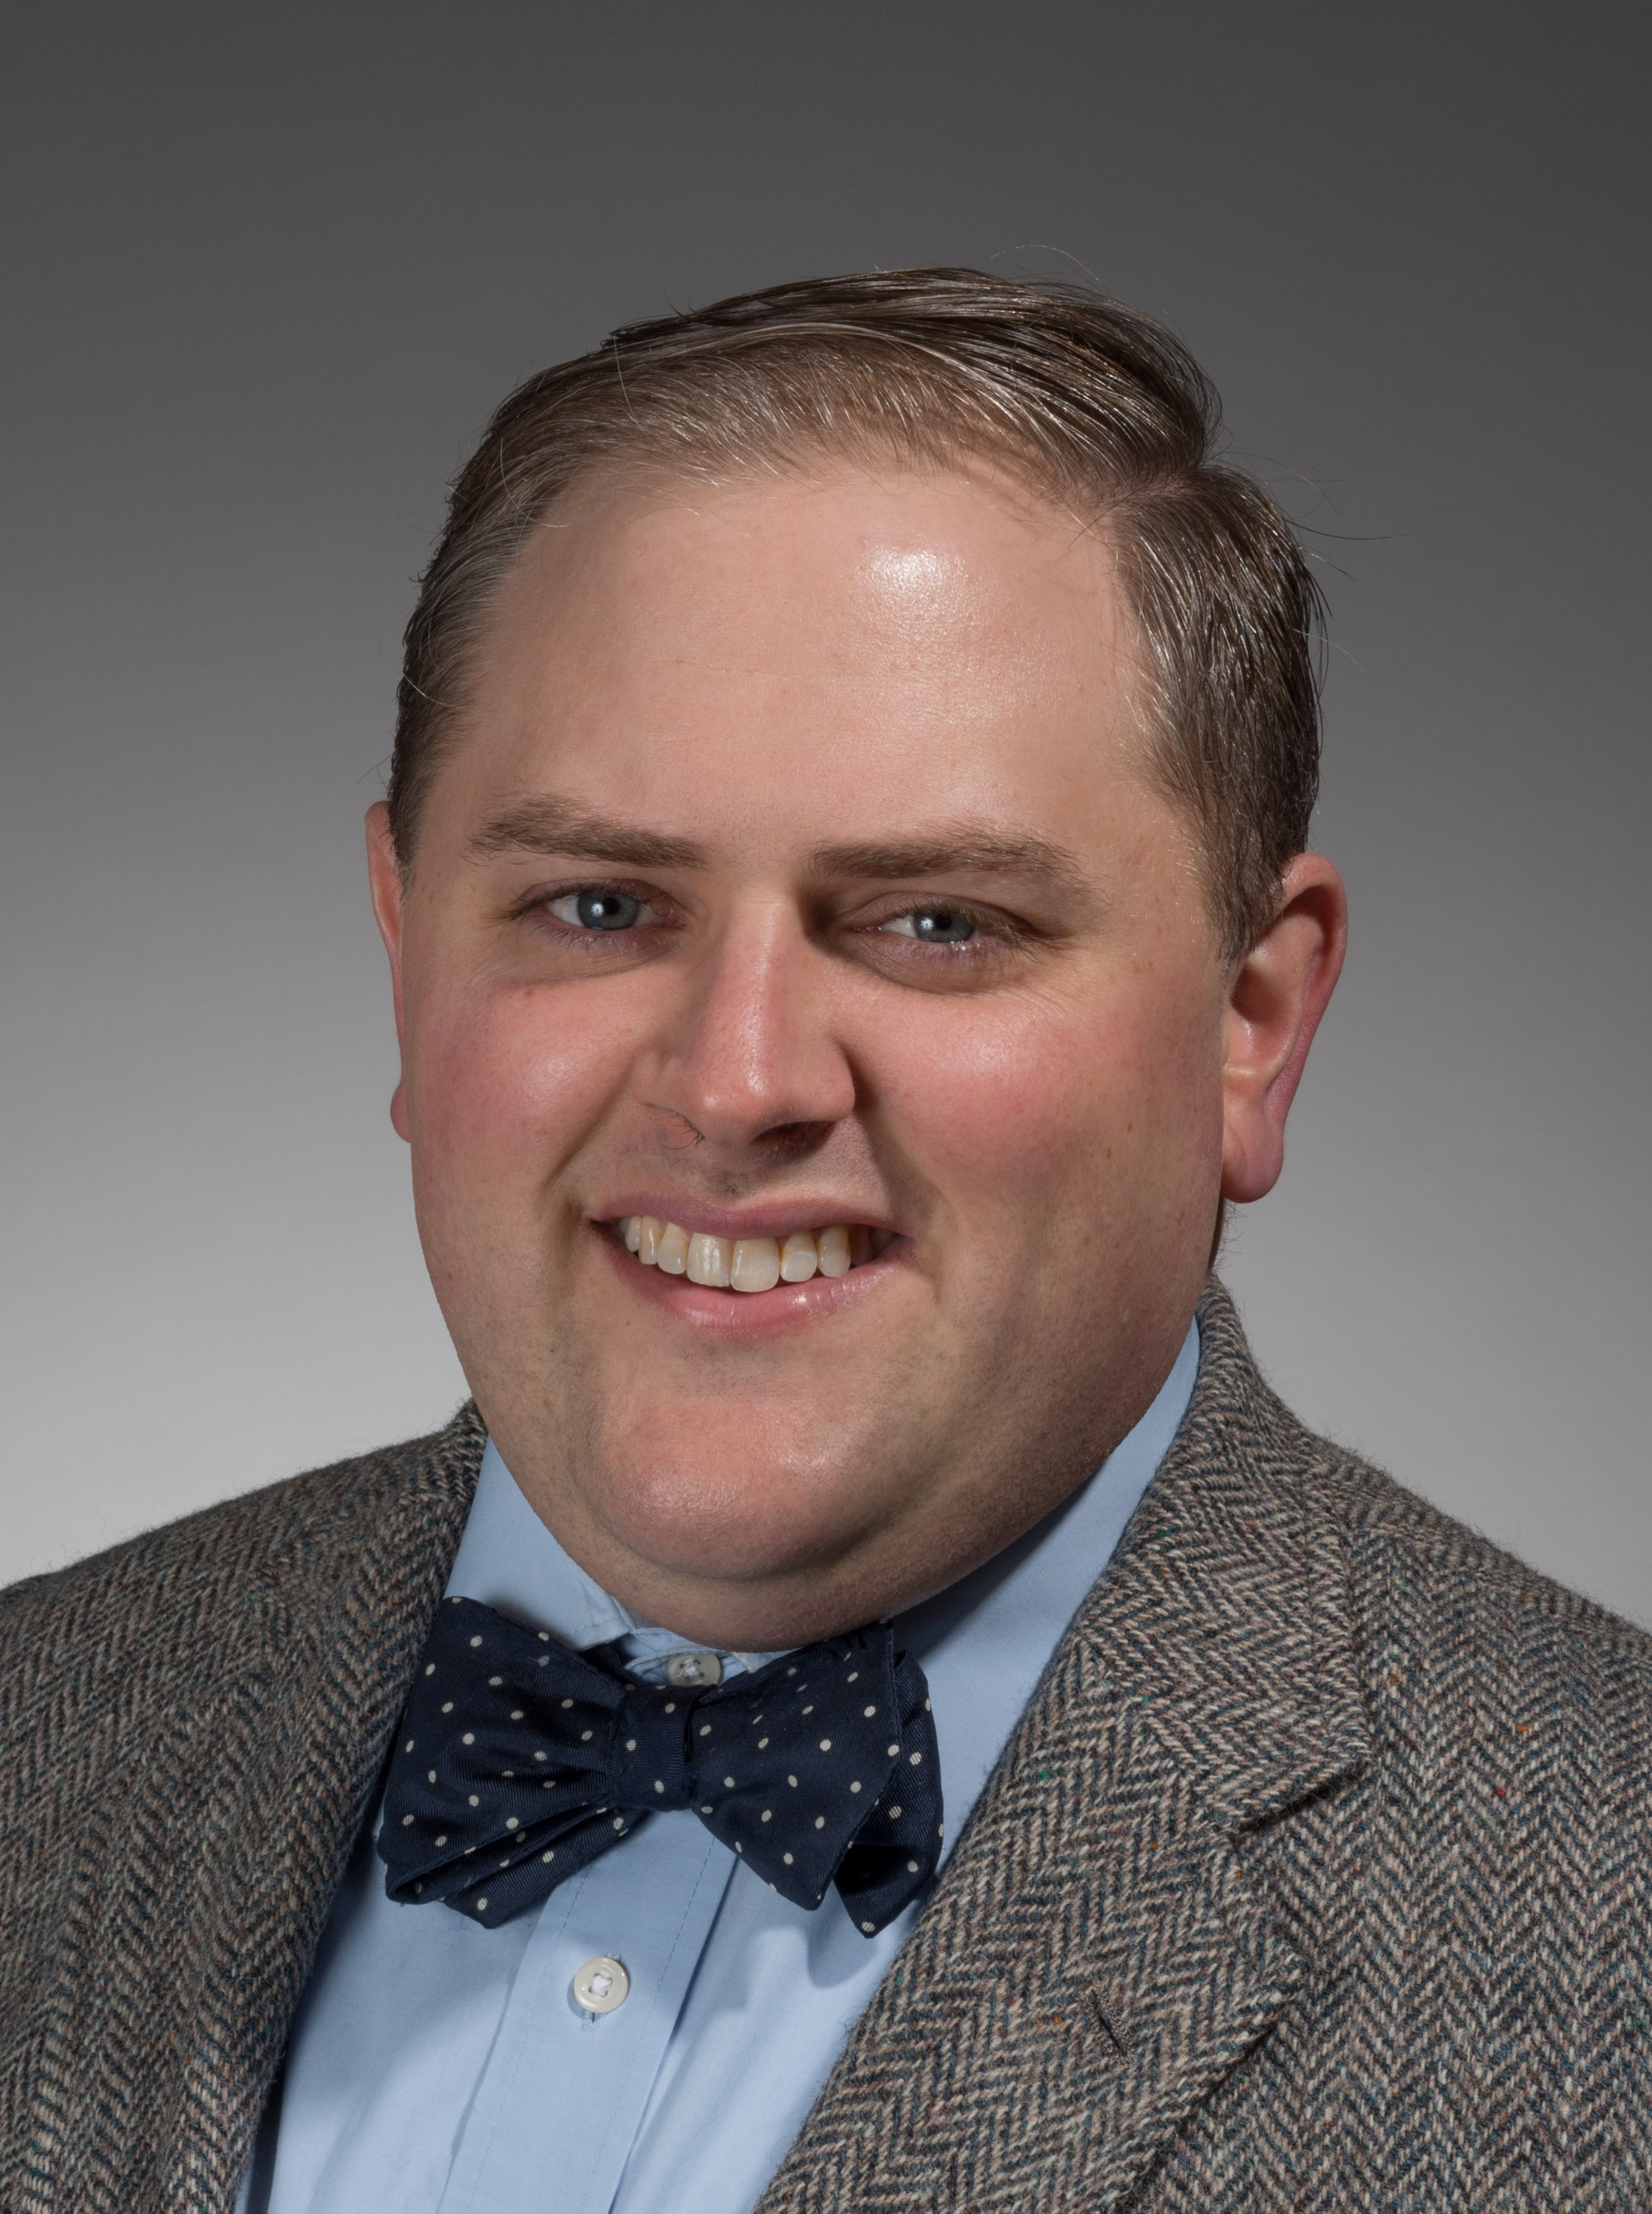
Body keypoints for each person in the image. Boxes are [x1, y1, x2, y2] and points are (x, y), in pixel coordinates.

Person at [3, 270, 1648, 2214]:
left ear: (1248, 1026)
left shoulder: (1600, 1938)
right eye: (600, 906)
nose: (736, 1081)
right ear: (403, 946)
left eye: (938, 921)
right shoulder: (43, 1729)